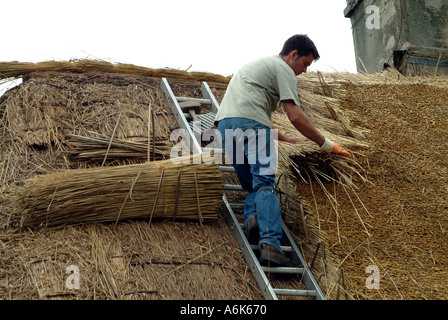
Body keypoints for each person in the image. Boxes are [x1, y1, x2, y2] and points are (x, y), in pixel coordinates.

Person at [215, 34, 350, 267]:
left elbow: (244, 114)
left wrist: (279, 135)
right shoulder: (283, 69)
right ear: (293, 54)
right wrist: (326, 144)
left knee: (251, 185)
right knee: (266, 184)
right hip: (253, 126)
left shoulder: (259, 64)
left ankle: (253, 220)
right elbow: (295, 116)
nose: (305, 71)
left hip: (226, 127)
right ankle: (271, 245)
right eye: (305, 64)